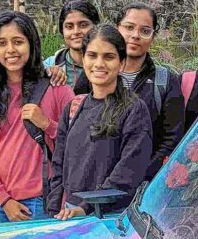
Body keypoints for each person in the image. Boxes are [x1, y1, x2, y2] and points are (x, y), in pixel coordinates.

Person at [0, 11, 74, 224]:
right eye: (2, 43)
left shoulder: (56, 88)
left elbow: (77, 143)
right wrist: (3, 199)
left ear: (31, 44)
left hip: (43, 200)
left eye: (18, 42)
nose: (10, 50)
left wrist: (47, 124)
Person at [48, 25, 152, 219]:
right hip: (70, 212)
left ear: (121, 63)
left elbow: (128, 172)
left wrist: (86, 208)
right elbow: (59, 164)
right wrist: (55, 209)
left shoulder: (134, 110)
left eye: (108, 57)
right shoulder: (73, 107)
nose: (99, 63)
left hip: (110, 217)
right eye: (92, 55)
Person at [75, 3, 184, 180]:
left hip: (143, 184)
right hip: (92, 185)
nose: (135, 36)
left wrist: (138, 175)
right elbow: (77, 128)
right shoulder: (93, 75)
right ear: (117, 28)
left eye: (145, 30)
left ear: (153, 36)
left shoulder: (165, 82)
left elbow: (171, 140)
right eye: (129, 27)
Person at [44, 0, 100, 86]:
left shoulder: (109, 62)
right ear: (62, 30)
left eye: (83, 25)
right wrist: (46, 73)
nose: (76, 31)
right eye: (69, 27)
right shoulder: (50, 65)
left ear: (96, 27)